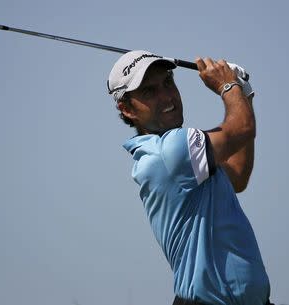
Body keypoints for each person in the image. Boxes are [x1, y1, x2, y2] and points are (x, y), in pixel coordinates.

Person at [107, 50, 272, 305]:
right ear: (127, 109)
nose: (166, 96)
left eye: (168, 82)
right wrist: (229, 86)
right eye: (149, 92)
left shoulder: (180, 155)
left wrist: (243, 95)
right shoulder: (170, 150)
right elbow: (241, 128)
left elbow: (238, 175)